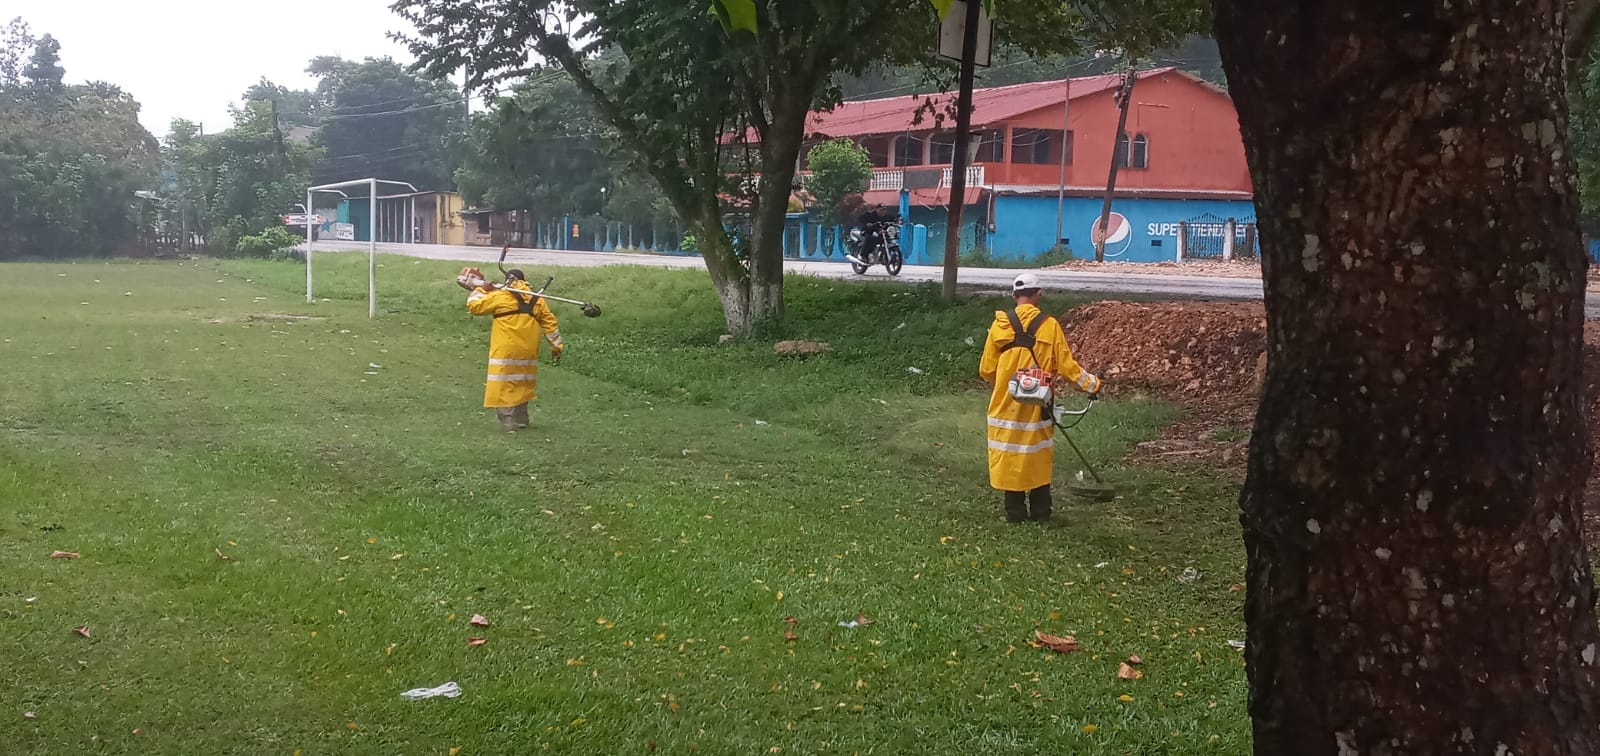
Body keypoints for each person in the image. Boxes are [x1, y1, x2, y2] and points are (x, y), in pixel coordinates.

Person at [979, 272, 1101, 523]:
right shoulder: (1049, 325)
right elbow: (1067, 367)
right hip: (1038, 405)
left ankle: (1014, 512)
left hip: (1005, 403)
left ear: (1014, 295)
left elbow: (986, 370)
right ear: (1038, 294)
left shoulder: (1000, 325)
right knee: (1037, 456)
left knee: (1009, 454)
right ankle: (1041, 512)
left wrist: (1008, 385)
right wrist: (1092, 385)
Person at [459, 267, 564, 432]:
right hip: (528, 349)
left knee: (503, 383)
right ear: (524, 280)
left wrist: (481, 289)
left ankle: (508, 421)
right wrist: (556, 346)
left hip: (506, 348)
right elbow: (550, 324)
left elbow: (475, 306)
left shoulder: (501, 295)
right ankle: (522, 419)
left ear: (507, 280)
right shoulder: (536, 299)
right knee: (523, 382)